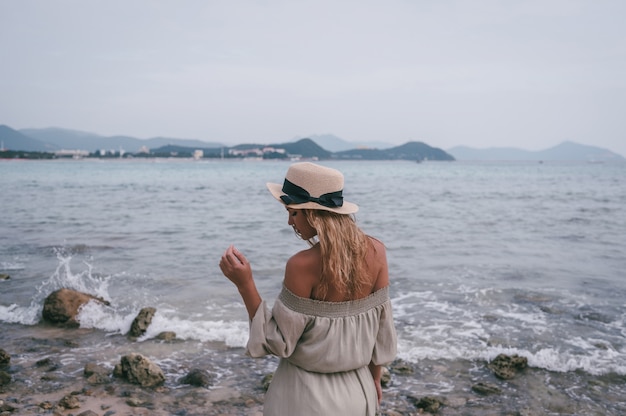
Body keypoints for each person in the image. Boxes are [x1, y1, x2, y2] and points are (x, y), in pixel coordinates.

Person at [219, 162, 397, 415]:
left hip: (302, 396)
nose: (289, 221)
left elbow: (277, 343)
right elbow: (382, 332)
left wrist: (244, 283)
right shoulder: (377, 251)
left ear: (313, 214)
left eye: (293, 213)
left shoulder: (301, 265)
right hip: (359, 391)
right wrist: (375, 380)